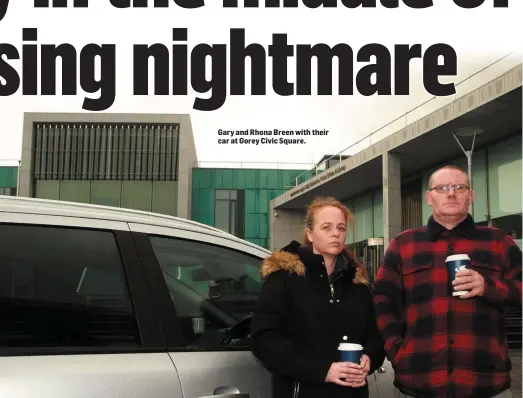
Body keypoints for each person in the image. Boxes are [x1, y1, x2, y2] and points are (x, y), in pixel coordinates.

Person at [373, 165, 522, 398]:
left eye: (459, 187)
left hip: (486, 383)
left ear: (470, 196)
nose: (451, 193)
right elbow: (383, 302)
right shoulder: (403, 244)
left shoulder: (498, 242)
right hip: (418, 384)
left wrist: (488, 286)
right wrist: (397, 351)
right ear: (429, 198)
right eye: (442, 188)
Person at [250, 196, 385, 398]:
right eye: (326, 227)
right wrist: (323, 370)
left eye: (341, 228)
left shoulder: (358, 285)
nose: (335, 234)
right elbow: (264, 340)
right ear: (310, 234)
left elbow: (375, 337)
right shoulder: (284, 279)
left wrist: (369, 358)